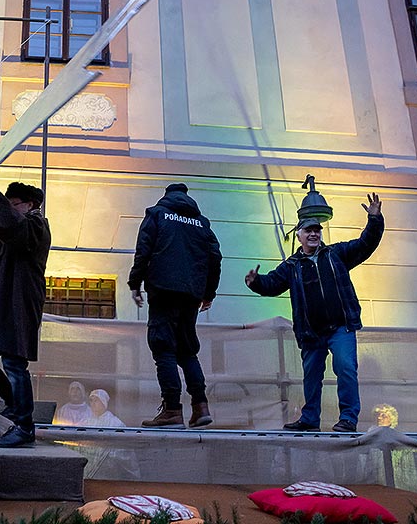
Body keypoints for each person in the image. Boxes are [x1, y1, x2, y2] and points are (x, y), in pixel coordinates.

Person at [245, 193, 384, 433]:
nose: (313, 234)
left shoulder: (336, 255)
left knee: (346, 368)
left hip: (341, 327)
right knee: (311, 377)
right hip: (312, 333)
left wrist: (374, 219)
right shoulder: (292, 265)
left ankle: (348, 418)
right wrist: (256, 282)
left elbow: (366, 244)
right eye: (308, 231)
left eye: (317, 231)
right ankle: (309, 419)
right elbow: (273, 284)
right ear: (298, 235)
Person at [0, 168, 51, 448]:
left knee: (15, 364)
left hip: (17, 306)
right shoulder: (15, 226)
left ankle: (25, 426)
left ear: (29, 205)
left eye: (14, 204)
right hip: (0, 307)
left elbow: (13, 227)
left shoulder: (36, 225)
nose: (9, 208)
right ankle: (14, 406)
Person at [128, 183, 222, 428]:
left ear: (166, 196)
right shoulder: (202, 223)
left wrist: (135, 282)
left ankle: (172, 410)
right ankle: (201, 407)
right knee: (187, 350)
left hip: (163, 290)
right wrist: (208, 293)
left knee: (163, 348)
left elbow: (143, 250)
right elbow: (215, 257)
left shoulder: (157, 214)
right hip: (191, 294)